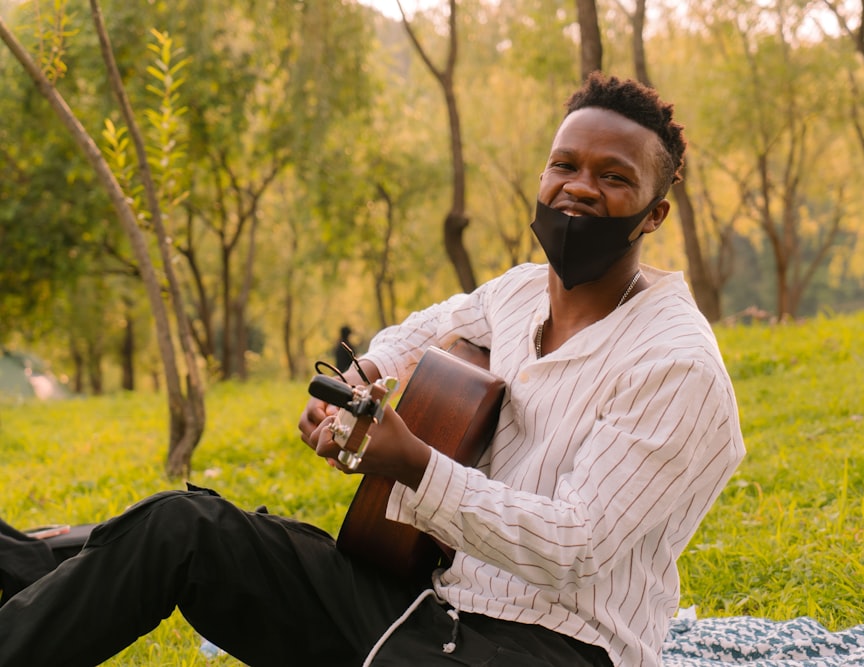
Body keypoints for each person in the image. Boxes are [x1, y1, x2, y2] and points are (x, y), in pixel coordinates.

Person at [0, 72, 744, 667]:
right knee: (184, 527)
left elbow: (575, 544)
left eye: (614, 176)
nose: (579, 187)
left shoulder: (677, 367)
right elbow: (417, 331)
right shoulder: (520, 291)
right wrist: (356, 388)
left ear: (654, 213)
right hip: (421, 602)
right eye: (564, 164)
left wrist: (416, 464)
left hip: (547, 647)